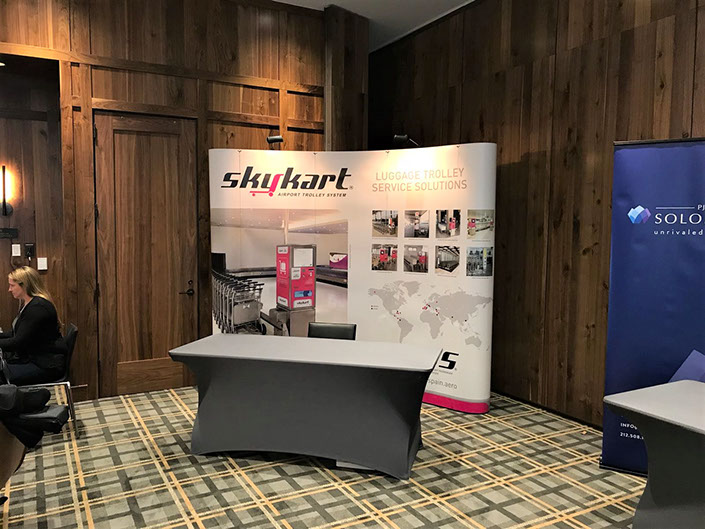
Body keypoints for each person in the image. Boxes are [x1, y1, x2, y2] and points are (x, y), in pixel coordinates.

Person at [0, 267, 67, 385]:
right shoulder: (30, 304)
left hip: (45, 365)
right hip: (36, 359)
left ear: (24, 286)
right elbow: (16, 333)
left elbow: (18, 342)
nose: (9, 289)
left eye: (12, 285)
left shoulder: (38, 308)